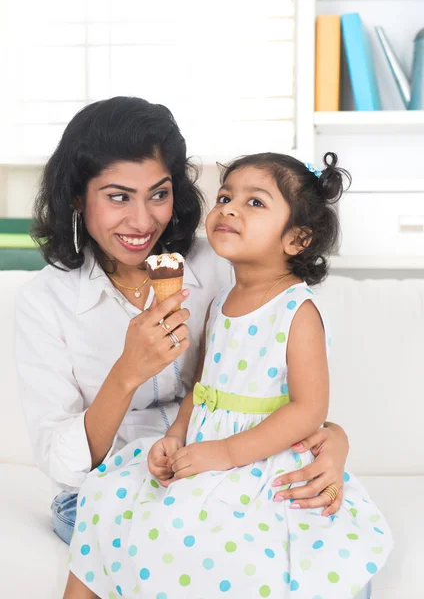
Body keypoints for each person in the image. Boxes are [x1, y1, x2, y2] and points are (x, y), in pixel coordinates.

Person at [12, 96, 360, 594]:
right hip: (114, 481)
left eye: (158, 194)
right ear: (76, 197)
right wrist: (126, 373)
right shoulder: (44, 302)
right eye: (117, 197)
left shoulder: (227, 261)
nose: (141, 222)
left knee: (303, 553)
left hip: (227, 470)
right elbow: (63, 464)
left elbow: (286, 377)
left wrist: (335, 439)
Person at [63, 149, 392, 598]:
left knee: (218, 538)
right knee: (108, 495)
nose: (229, 208)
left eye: (255, 203)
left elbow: (309, 409)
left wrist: (226, 453)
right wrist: (176, 437)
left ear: (297, 239)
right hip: (207, 449)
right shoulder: (218, 304)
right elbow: (202, 390)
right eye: (224, 196)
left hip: (258, 458)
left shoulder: (297, 310)